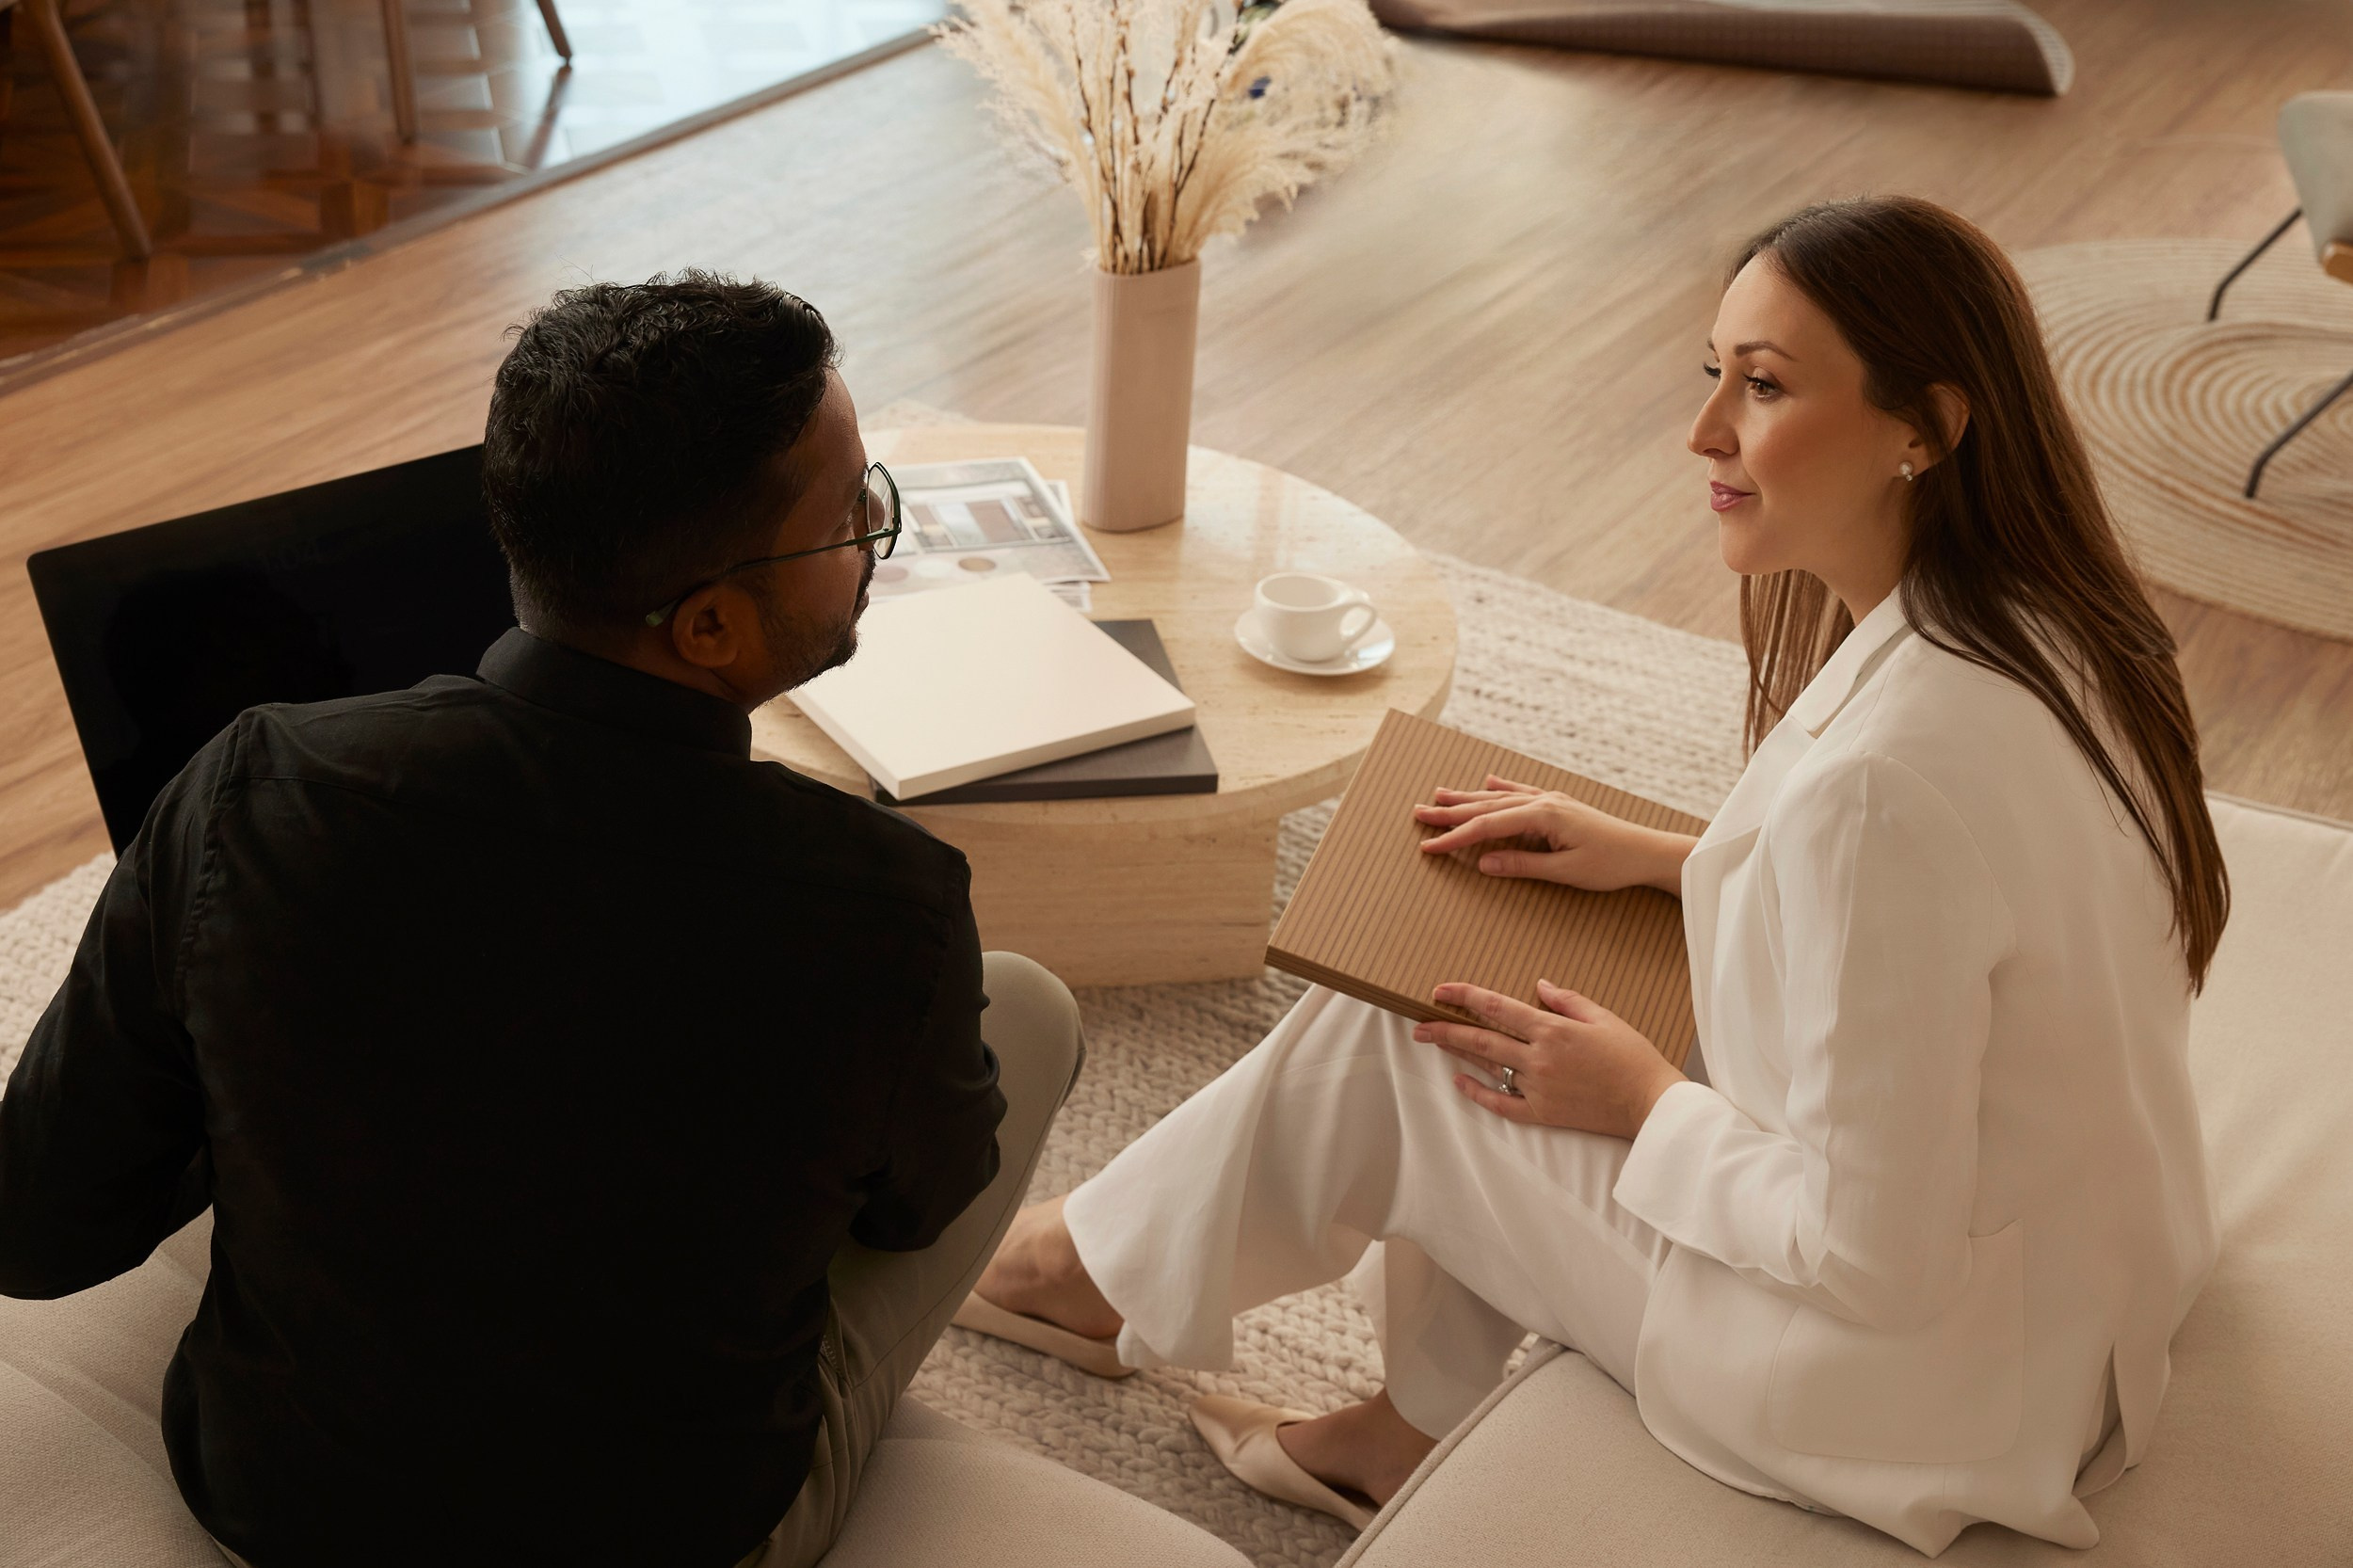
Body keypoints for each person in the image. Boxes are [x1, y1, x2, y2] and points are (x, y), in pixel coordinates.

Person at [956, 197, 2227, 1556]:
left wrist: (1645, 1102)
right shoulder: (2064, 635)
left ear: (1929, 427)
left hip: (1902, 1394)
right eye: (1715, 373)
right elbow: (1956, 926)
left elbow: (1872, 1250)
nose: (1705, 433)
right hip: (2076, 1307)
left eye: (1768, 385)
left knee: (1427, 1032)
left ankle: (1077, 1274)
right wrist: (1673, 862)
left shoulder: (1881, 788)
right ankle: (1377, 1430)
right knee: (1490, 990)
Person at [0, 273, 1085, 1568]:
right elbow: (914, 1210)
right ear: (710, 623)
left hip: (278, 1501)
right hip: (676, 1534)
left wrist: (263, 1071)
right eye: (852, 513)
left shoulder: (253, 784)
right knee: (1032, 1010)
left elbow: (40, 1222)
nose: (873, 529)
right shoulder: (885, 909)